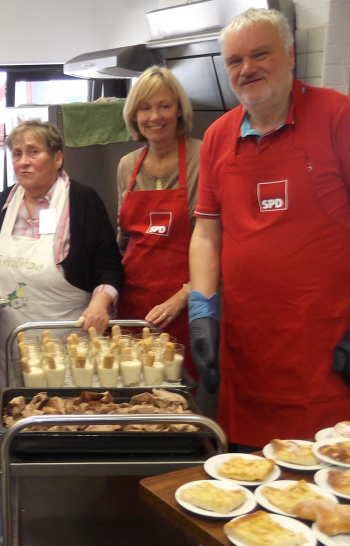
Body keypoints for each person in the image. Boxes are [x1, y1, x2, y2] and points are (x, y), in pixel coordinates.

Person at [188, 8, 350, 449]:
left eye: (260, 54)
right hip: (247, 350)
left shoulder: (341, 117)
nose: (247, 69)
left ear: (289, 55)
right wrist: (202, 309)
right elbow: (207, 234)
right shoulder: (217, 137)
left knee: (324, 496)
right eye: (234, 61)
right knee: (246, 489)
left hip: (326, 350)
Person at [0, 120, 124, 423]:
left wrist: (101, 302)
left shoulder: (83, 201)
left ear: (57, 158)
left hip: (66, 344)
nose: (23, 161)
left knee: (65, 423)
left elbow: (109, 264)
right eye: (17, 154)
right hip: (6, 345)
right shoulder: (3, 204)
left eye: (33, 151)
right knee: (15, 424)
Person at [116, 65, 201, 387]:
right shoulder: (126, 166)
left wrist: (184, 296)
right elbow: (123, 239)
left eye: (164, 106)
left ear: (179, 109)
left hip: (185, 305)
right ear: (134, 115)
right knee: (132, 397)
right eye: (145, 108)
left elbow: (217, 241)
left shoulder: (202, 156)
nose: (155, 117)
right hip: (132, 304)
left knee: (179, 400)